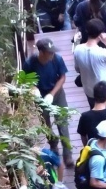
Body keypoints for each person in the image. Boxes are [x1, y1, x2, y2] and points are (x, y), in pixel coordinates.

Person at [22, 38, 72, 167]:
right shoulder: (30, 63)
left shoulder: (57, 59)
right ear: (41, 52)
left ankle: (68, 154)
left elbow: (62, 77)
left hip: (57, 93)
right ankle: (53, 145)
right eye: (49, 52)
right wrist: (35, 90)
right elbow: (27, 80)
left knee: (62, 123)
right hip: (40, 95)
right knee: (45, 124)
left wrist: (52, 94)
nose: (52, 54)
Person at [73, 19, 106, 109]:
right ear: (100, 34)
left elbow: (77, 69)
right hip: (104, 91)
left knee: (93, 110)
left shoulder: (77, 49)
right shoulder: (102, 52)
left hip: (89, 90)